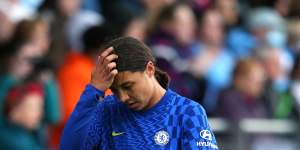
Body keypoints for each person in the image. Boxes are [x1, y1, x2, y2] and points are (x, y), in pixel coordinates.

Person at [60, 37, 218, 149]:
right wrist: (94, 89)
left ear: (149, 69)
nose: (122, 97)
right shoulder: (107, 109)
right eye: (114, 90)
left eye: (128, 86)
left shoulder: (187, 112)